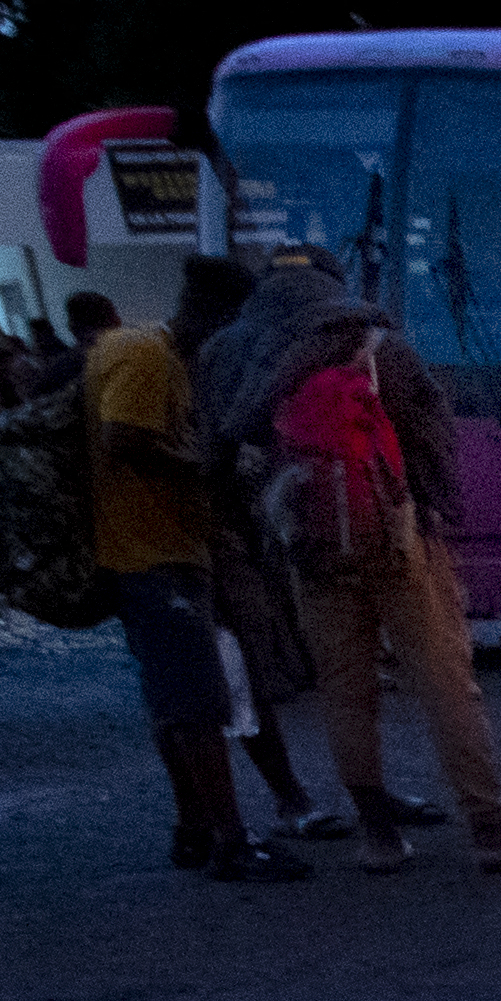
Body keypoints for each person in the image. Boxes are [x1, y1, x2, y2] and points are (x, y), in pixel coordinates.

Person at [216, 255, 501, 877]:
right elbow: (429, 430)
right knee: (445, 683)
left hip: (312, 551)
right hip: (398, 535)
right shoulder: (372, 342)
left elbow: (225, 449)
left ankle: (380, 839)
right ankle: (491, 833)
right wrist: (435, 508)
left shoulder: (241, 353)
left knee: (345, 691)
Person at [83, 279, 308, 886]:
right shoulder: (145, 356)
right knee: (199, 707)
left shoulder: (152, 358)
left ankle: (195, 828)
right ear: (216, 322)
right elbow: (122, 440)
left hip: (162, 553)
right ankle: (231, 842)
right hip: (154, 557)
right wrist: (202, 468)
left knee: (179, 704)